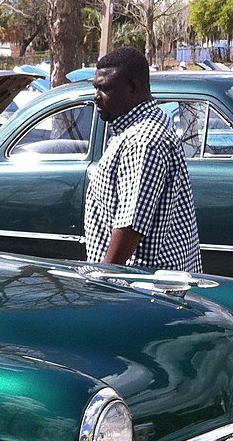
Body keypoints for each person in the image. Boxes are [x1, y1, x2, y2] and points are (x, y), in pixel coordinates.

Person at [84, 46, 202, 273]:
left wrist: (103, 279)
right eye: (95, 88)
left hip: (144, 287)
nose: (96, 98)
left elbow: (130, 225)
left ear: (134, 88)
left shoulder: (143, 140)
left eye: (105, 89)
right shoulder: (140, 127)